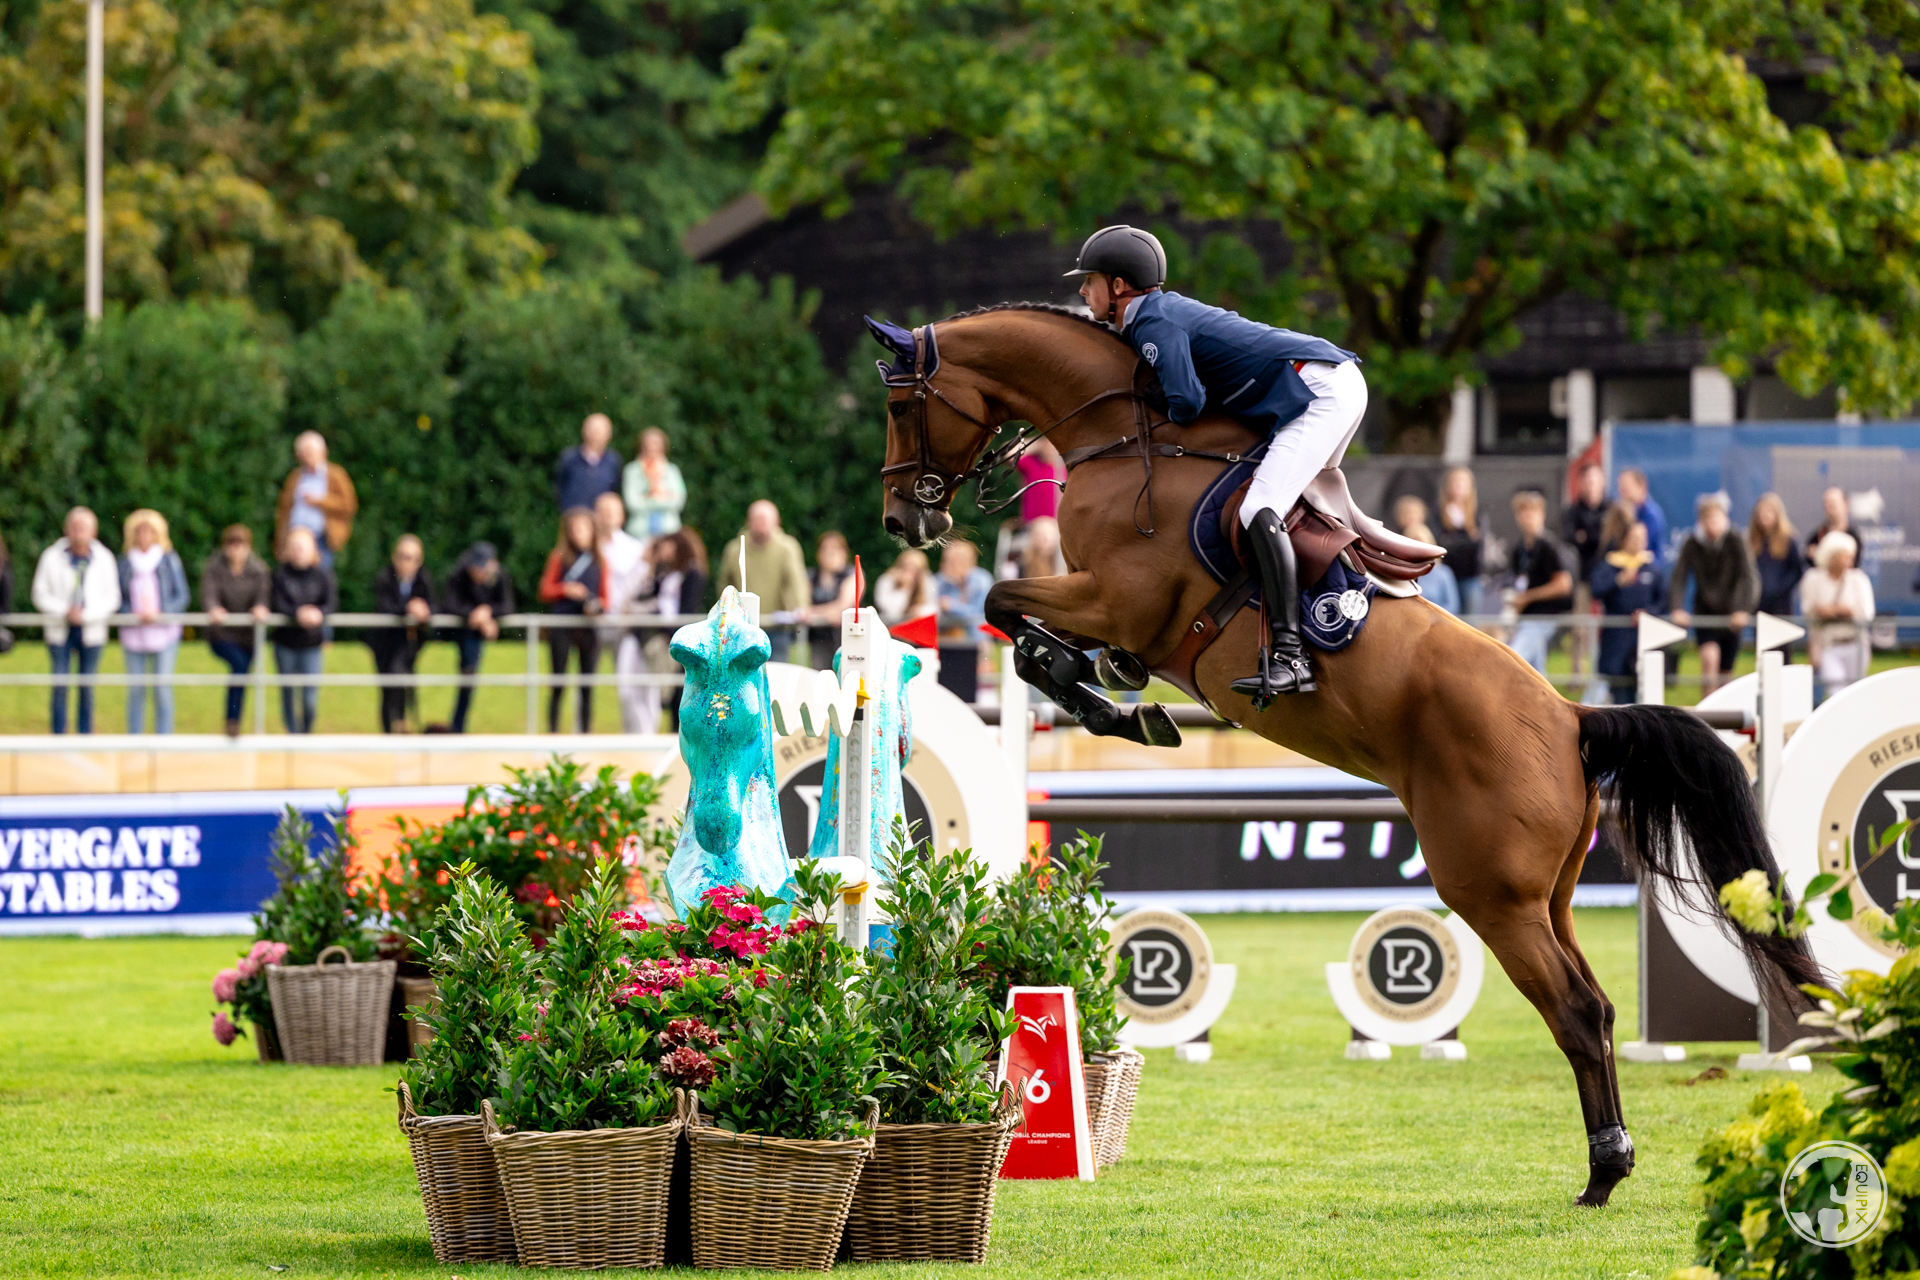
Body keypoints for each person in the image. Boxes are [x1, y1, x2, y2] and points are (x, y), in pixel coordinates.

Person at [1065, 224, 1359, 704]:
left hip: (1317, 390)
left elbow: (1186, 403)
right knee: (1276, 505)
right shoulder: (1154, 313)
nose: (1083, 289)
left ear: (1118, 286)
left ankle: (1291, 656)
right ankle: (1324, 609)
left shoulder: (1152, 322)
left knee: (1256, 509)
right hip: (1323, 382)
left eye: (1089, 279)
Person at [31, 507, 120, 735]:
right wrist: (64, 611)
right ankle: (58, 735)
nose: (79, 532)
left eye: (84, 527)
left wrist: (86, 615)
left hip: (91, 631)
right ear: (66, 529)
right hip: (59, 630)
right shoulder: (51, 557)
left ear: (93, 531)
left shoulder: (104, 558)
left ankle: (84, 735)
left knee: (86, 686)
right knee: (60, 685)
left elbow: (112, 597)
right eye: (75, 527)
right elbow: (39, 593)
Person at [1669, 493, 1758, 692]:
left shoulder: (1736, 540)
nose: (1712, 525)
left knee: (1726, 672)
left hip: (1732, 613)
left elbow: (1749, 577)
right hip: (1705, 610)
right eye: (1707, 519)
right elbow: (1679, 577)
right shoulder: (1692, 543)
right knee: (1710, 660)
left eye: (1716, 519)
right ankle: (1707, 715)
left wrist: (1743, 609)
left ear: (1724, 518)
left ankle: (1724, 718)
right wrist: (1677, 608)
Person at [117, 509, 189, 735]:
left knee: (162, 688)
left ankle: (164, 738)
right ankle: (134, 738)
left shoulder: (168, 560)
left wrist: (161, 612)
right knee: (136, 690)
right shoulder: (126, 562)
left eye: (149, 531)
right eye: (140, 531)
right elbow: (117, 595)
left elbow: (182, 595)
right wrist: (132, 613)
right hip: (134, 632)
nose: (144, 536)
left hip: (164, 631)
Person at [714, 500, 810, 660]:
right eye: (757, 519)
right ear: (749, 521)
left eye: (765, 520)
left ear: (776, 522)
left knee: (776, 673)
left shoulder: (787, 548)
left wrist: (801, 606)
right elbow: (724, 584)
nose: (761, 524)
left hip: (777, 627)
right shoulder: (734, 549)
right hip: (743, 628)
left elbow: (796, 581)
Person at [202, 524, 272, 736]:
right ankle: (232, 721)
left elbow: (263, 596)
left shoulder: (259, 570)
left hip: (249, 637)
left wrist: (261, 607)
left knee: (240, 675)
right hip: (222, 634)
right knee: (240, 668)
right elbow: (208, 594)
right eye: (231, 545)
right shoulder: (214, 569)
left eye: (240, 546)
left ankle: (234, 721)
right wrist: (214, 608)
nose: (236, 551)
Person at [635, 529, 708, 732]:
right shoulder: (668, 573)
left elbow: (688, 608)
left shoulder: (692, 574)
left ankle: (677, 733)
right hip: (664, 633)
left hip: (678, 636)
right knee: (665, 688)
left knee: (679, 689)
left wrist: (673, 633)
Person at [538, 508, 603, 733]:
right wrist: (565, 589)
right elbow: (545, 590)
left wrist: (596, 606)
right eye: (575, 529)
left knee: (587, 684)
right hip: (563, 625)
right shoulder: (559, 558)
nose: (579, 534)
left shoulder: (599, 560)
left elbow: (605, 596)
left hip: (588, 626)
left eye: (584, 528)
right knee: (558, 682)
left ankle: (585, 732)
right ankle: (553, 731)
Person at [594, 492, 652, 733]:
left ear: (622, 516)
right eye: (603, 512)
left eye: (612, 512)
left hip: (623, 623)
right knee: (582, 682)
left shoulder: (633, 548)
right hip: (594, 622)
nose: (607, 518)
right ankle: (579, 733)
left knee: (628, 683)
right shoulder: (588, 546)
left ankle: (635, 735)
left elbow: (641, 583)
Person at [442, 542, 513, 734]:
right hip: (460, 631)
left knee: (470, 671)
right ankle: (457, 727)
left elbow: (507, 605)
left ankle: (458, 726)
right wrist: (475, 616)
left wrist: (487, 612)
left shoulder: (500, 577)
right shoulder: (458, 575)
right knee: (467, 670)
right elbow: (449, 605)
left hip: (479, 630)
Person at [1590, 522, 1665, 704]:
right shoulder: (1611, 565)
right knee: (1619, 696)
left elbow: (1664, 601)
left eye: (1642, 538)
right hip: (1616, 642)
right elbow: (1595, 589)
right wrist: (1617, 581)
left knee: (1644, 694)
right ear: (1624, 540)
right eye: (1634, 538)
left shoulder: (1652, 569)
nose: (1638, 542)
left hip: (1643, 642)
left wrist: (1648, 613)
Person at [270, 527, 336, 734]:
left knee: (310, 698)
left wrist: (317, 614)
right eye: (294, 547)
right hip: (285, 644)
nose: (298, 551)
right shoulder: (279, 576)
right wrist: (296, 614)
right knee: (287, 694)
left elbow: (331, 604)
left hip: (312, 644)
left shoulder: (323, 576)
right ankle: (293, 737)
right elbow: (276, 603)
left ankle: (306, 734)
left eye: (302, 547)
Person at [367, 535, 435, 734]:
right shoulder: (384, 578)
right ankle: (390, 731)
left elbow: (435, 605)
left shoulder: (424, 579)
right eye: (404, 557)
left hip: (409, 644)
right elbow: (384, 606)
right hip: (384, 642)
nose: (408, 563)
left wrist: (424, 610)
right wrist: (408, 609)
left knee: (403, 681)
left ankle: (402, 724)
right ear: (395, 557)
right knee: (388, 687)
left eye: (413, 558)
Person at [1504, 490, 1574, 675]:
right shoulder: (1520, 549)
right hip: (1525, 617)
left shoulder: (1548, 545)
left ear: (1541, 514)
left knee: (1514, 657)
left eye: (1532, 511)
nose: (1527, 516)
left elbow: (1564, 584)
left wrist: (1528, 597)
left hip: (1544, 616)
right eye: (1523, 511)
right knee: (1535, 672)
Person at [1801, 531, 1875, 696]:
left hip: (1855, 644)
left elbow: (1867, 613)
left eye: (1851, 556)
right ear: (1831, 556)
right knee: (1836, 693)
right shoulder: (1813, 579)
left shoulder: (1858, 579)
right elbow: (1809, 610)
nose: (1849, 561)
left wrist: (1841, 611)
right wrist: (1832, 611)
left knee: (1855, 693)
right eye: (1844, 556)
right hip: (1828, 644)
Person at [274, 431, 358, 571]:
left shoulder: (335, 475)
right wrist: (281, 540)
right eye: (303, 453)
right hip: (295, 536)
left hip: (321, 538)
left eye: (310, 452)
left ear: (323, 452)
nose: (307, 457)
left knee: (320, 576)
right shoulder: (296, 477)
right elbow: (284, 509)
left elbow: (349, 505)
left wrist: (320, 501)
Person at [1563, 463, 1610, 674]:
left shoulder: (1611, 508)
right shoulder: (1573, 511)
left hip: (1609, 577)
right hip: (1584, 577)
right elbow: (1572, 538)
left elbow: (1610, 540)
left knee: (1609, 624)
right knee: (1579, 627)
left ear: (1602, 483)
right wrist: (1597, 535)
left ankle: (1605, 670)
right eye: (1587, 481)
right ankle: (1577, 673)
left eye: (1594, 481)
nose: (1590, 486)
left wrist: (1588, 536)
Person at [935, 540, 995, 701]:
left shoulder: (981, 580)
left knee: (982, 688)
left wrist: (953, 606)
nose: (949, 565)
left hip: (977, 643)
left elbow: (978, 613)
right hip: (948, 644)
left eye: (955, 560)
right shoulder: (941, 581)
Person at [1433, 467, 1485, 617]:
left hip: (1470, 576)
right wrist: (1468, 540)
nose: (1458, 486)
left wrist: (1453, 542)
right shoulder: (1438, 511)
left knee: (1470, 623)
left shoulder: (1477, 512)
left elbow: (1479, 544)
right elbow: (1440, 544)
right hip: (1446, 576)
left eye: (1462, 482)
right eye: (1455, 482)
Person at [1747, 493, 1806, 621]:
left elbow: (1796, 571)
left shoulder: (1790, 540)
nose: (1765, 515)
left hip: (1781, 606)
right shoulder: (1750, 541)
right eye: (1761, 511)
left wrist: (1780, 590)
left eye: (1769, 511)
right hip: (1758, 605)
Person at [804, 532, 858, 670]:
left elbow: (843, 605)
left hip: (846, 638)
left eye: (834, 549)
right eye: (825, 549)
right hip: (819, 639)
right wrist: (829, 613)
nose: (829, 554)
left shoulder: (852, 574)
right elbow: (803, 606)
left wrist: (816, 612)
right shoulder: (811, 576)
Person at [622, 427, 686, 540]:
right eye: (648, 443)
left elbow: (678, 502)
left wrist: (647, 497)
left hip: (668, 530)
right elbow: (632, 504)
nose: (652, 447)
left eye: (656, 443)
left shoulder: (672, 470)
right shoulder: (631, 470)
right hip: (640, 532)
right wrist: (663, 497)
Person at [555, 413, 623, 513]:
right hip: (574, 519)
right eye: (592, 428)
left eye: (600, 430)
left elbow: (616, 489)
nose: (596, 433)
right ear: (584, 430)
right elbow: (559, 486)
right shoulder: (569, 457)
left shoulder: (614, 461)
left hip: (602, 520)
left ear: (609, 434)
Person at [1401, 522, 1460, 615]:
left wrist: (1431, 615)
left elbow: (1452, 605)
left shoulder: (1443, 573)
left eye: (1420, 542)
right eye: (1413, 542)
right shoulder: (1400, 573)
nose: (1417, 547)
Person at [1615, 468, 1668, 565]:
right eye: (1620, 489)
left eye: (1626, 489)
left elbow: (1652, 554)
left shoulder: (1652, 516)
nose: (1622, 494)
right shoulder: (1618, 514)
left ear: (1641, 486)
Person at [875, 548, 936, 626]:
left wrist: (919, 611)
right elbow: (891, 612)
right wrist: (905, 588)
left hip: (918, 625)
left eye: (915, 569)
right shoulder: (887, 580)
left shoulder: (927, 581)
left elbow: (933, 608)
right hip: (891, 625)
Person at [1806, 485, 1862, 566]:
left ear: (1845, 504)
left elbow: (1854, 564)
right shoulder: (1816, 537)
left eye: (1833, 505)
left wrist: (1821, 555)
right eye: (1826, 505)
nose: (1829, 509)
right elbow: (1809, 560)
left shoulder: (1854, 537)